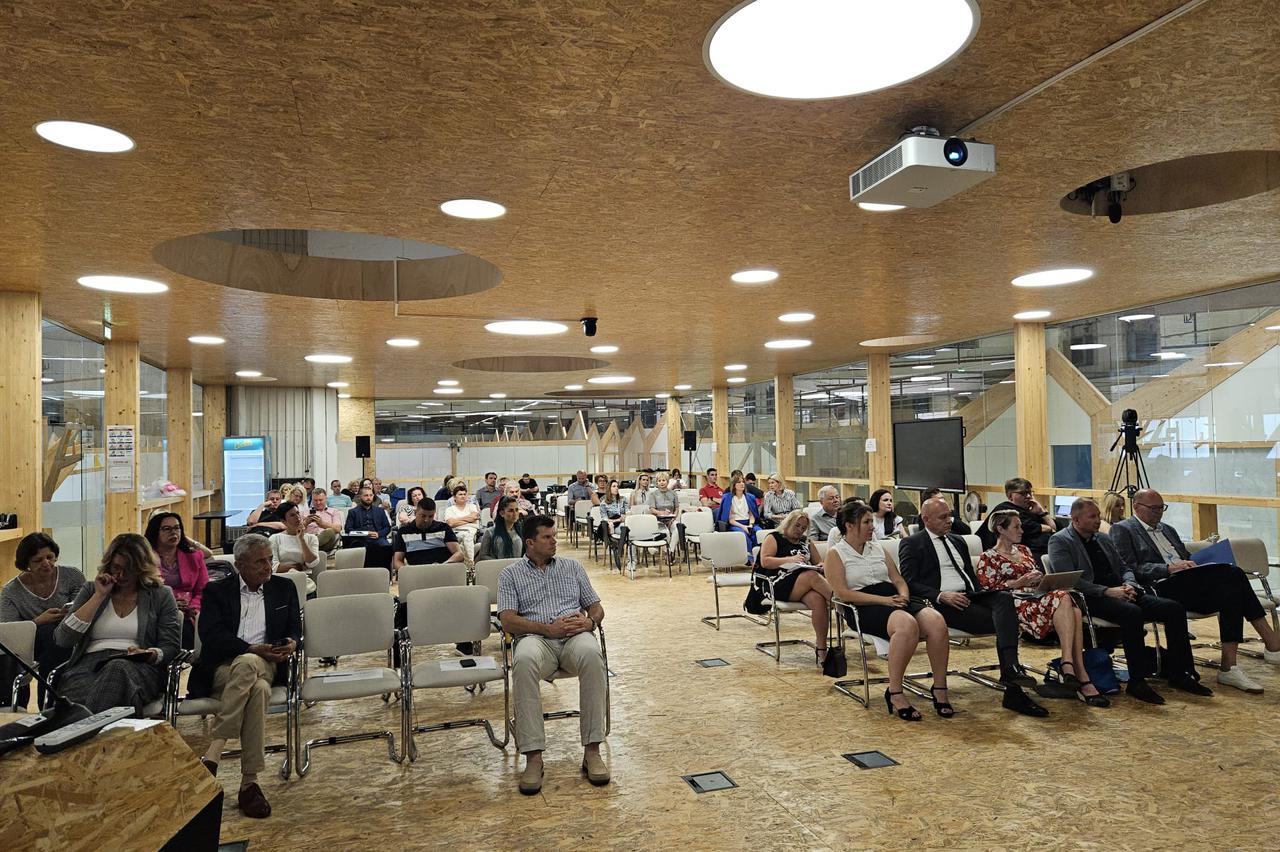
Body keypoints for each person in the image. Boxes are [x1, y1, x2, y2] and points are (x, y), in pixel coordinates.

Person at [1111, 488, 1280, 692]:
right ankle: (1271, 643)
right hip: (1161, 585)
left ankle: (1230, 666)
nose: (1158, 512)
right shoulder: (1123, 529)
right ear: (1136, 507)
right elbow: (1129, 567)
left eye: (1161, 508)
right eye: (1153, 508)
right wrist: (1169, 568)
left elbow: (1185, 557)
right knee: (1233, 575)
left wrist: (1196, 563)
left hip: (1188, 581)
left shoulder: (1168, 529)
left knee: (1231, 591)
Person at [1047, 498, 1210, 704]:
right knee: (1132, 613)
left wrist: (1129, 584)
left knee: (1173, 609)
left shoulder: (1103, 538)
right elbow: (1070, 580)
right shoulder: (1060, 541)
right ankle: (1137, 680)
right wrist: (1107, 591)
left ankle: (1180, 672)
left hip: (1122, 590)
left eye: (1098, 516)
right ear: (1076, 519)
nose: (1098, 520)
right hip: (1092, 597)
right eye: (1092, 517)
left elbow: (1124, 567)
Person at [898, 498, 1047, 716]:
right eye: (942, 517)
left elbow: (970, 576)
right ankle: (1013, 686)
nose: (949, 521)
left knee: (1004, 599)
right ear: (926, 519)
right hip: (942, 602)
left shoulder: (958, 540)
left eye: (949, 516)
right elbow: (909, 582)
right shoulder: (912, 543)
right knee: (1006, 620)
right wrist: (941, 595)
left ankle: (1010, 671)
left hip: (971, 595)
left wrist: (985, 593)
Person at [191, 533, 301, 819]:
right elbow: (211, 636)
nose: (267, 566)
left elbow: (295, 629)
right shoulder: (217, 591)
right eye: (259, 561)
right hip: (223, 669)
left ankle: (214, 752)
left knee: (251, 664)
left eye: (270, 560)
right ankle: (249, 784)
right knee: (258, 689)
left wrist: (292, 643)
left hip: (268, 662)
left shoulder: (284, 588)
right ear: (239, 564)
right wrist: (250, 648)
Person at [498, 516, 608, 795]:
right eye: (547, 537)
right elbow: (508, 620)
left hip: (574, 637)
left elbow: (596, 607)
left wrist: (590, 622)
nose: (554, 541)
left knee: (592, 655)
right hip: (536, 639)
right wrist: (547, 629)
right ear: (530, 542)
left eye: (554, 536)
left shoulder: (572, 567)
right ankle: (533, 757)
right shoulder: (510, 574)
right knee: (523, 661)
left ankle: (592, 751)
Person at [824, 503, 953, 721]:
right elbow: (843, 594)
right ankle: (895, 691)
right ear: (849, 525)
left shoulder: (878, 548)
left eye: (871, 522)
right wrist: (884, 601)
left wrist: (903, 595)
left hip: (892, 598)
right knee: (906, 624)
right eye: (866, 522)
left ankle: (940, 687)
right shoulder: (836, 554)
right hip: (863, 605)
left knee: (936, 621)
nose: (872, 527)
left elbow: (898, 579)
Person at [978, 510, 1108, 706]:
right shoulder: (988, 557)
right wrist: (1018, 582)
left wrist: (1041, 580)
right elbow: (987, 591)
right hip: (1014, 604)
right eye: (1016, 527)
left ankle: (1071, 668)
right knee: (1067, 602)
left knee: (1073, 607)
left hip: (1038, 597)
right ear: (1000, 529)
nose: (1022, 530)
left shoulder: (1024, 550)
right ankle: (1073, 670)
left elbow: (1035, 575)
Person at [54, 533, 182, 714]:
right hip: (89, 665)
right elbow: (63, 639)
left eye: (129, 569)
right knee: (97, 693)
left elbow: (171, 646)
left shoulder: (160, 595)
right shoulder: (91, 590)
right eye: (116, 567)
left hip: (139, 665)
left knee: (117, 669)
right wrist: (99, 596)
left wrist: (151, 654)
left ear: (142, 567)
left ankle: (84, 727)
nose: (121, 575)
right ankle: (98, 727)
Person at [0, 533, 83, 709]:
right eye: (38, 560)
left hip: (69, 635)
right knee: (47, 637)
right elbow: (9, 631)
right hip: (30, 643)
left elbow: (82, 607)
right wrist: (38, 621)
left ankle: (48, 705)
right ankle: (46, 704)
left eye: (50, 557)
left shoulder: (72, 576)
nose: (46, 563)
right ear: (26, 564)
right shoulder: (11, 591)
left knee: (55, 638)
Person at [757, 510, 832, 662]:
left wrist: (820, 566)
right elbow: (765, 561)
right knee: (811, 576)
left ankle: (822, 647)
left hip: (801, 583)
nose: (799, 530)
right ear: (788, 523)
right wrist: (789, 559)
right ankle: (841, 602)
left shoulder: (806, 542)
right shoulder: (774, 537)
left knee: (818, 600)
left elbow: (819, 562)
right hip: (777, 582)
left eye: (803, 528)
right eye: (797, 526)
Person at [144, 512, 209, 650]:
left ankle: (187, 659)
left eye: (177, 528)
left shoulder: (194, 556)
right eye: (166, 529)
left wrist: (194, 607)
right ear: (155, 532)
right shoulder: (145, 558)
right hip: (158, 606)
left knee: (189, 625)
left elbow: (203, 589)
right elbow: (143, 589)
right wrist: (171, 604)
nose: (173, 532)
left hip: (189, 608)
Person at [977, 477, 1055, 558]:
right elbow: (1028, 527)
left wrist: (1042, 513)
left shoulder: (1032, 510)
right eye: (1023, 493)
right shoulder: (1005, 510)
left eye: (1030, 492)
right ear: (1010, 496)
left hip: (1044, 551)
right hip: (1008, 555)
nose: (1028, 496)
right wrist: (1049, 528)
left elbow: (1054, 527)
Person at [392, 497, 463, 571]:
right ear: (415, 513)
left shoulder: (443, 528)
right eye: (423, 516)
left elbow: (459, 554)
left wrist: (443, 566)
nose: (426, 520)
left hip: (442, 571)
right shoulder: (404, 531)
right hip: (416, 573)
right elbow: (397, 561)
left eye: (430, 516)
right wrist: (409, 572)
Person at [344, 486, 393, 569]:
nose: (369, 498)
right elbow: (348, 530)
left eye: (371, 495)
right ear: (360, 497)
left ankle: (385, 573)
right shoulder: (353, 512)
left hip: (378, 538)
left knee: (386, 547)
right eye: (366, 495)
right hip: (360, 539)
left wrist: (378, 534)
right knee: (360, 548)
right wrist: (365, 533)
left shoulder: (380, 511)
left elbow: (387, 527)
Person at [270, 502, 322, 579]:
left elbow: (312, 563)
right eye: (292, 515)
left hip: (304, 578)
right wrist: (296, 567)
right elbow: (273, 567)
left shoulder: (311, 538)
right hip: (281, 578)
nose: (297, 517)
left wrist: (302, 539)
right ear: (283, 521)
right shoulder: (275, 538)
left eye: (298, 513)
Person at [715, 475, 762, 557]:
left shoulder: (750, 497)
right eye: (739, 482)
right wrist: (743, 527)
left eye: (743, 482)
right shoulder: (727, 498)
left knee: (758, 532)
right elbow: (730, 520)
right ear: (734, 485)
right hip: (735, 524)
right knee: (742, 535)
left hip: (749, 522)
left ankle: (759, 556)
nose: (742, 484)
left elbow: (752, 515)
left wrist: (750, 525)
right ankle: (749, 558)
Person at [477, 497, 526, 561]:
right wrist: (499, 563)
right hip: (497, 566)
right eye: (511, 510)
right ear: (502, 513)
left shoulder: (522, 531)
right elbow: (483, 555)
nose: (515, 514)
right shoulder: (489, 532)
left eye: (516, 510)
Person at [443, 483, 481, 563]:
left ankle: (470, 563)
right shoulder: (449, 510)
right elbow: (450, 524)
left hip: (471, 531)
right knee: (463, 541)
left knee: (466, 537)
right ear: (454, 497)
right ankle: (469, 564)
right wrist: (468, 520)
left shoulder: (472, 506)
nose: (463, 496)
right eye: (460, 494)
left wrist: (457, 520)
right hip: (456, 532)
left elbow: (474, 517)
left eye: (464, 494)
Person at [303, 487, 343, 551]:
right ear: (312, 500)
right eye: (315, 500)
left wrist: (322, 524)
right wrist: (306, 522)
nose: (318, 503)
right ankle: (313, 546)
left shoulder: (334, 511)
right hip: (309, 538)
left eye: (320, 500)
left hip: (326, 542)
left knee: (329, 531)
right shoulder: (305, 513)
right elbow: (297, 530)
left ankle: (311, 547)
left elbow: (338, 528)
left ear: (326, 499)